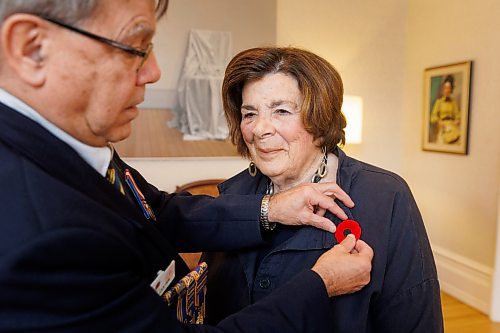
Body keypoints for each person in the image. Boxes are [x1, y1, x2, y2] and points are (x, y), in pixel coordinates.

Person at [0, 1, 376, 332]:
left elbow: (157, 212)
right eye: (135, 48)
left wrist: (271, 209)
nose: (155, 72)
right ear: (32, 49)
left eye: (281, 110)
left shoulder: (381, 195)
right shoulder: (37, 233)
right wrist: (321, 283)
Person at [202, 47, 444, 332]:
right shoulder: (233, 196)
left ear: (320, 118)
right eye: (249, 113)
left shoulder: (384, 197)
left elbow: (415, 320)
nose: (259, 129)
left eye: (281, 111)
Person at [429, 74, 461, 144]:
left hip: (452, 126)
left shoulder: (453, 102)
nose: (447, 90)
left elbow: (458, 115)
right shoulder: (439, 102)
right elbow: (432, 117)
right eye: (445, 88)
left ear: (451, 89)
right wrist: (439, 121)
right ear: (443, 89)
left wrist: (457, 120)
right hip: (443, 126)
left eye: (449, 88)